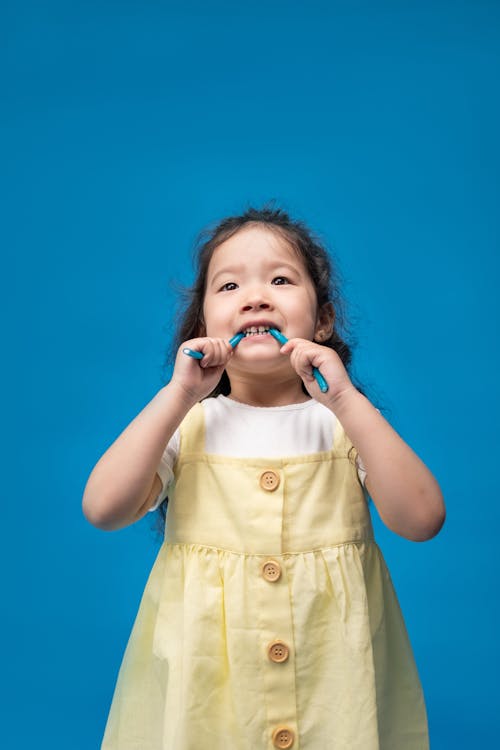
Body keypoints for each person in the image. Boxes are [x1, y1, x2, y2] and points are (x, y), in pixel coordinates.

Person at [83, 204, 445, 750]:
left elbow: (422, 519)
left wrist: (346, 399)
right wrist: (178, 394)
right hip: (208, 694)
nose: (255, 296)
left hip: (331, 686)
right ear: (203, 327)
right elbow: (103, 508)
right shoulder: (186, 425)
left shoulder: (343, 424)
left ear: (321, 321)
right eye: (229, 286)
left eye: (280, 279)